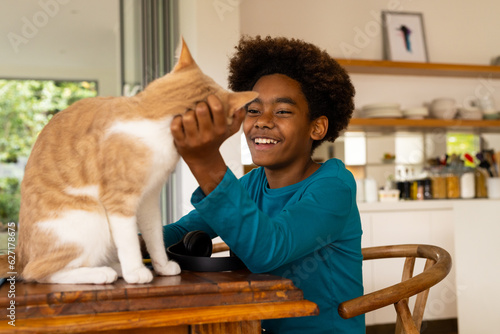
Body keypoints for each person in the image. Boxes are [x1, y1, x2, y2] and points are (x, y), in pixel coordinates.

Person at [164, 35, 364, 333]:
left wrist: (206, 161)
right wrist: (116, 242)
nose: (263, 121)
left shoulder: (334, 187)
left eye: (282, 111)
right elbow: (181, 231)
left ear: (317, 127)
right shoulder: (252, 184)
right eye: (253, 110)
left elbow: (268, 249)